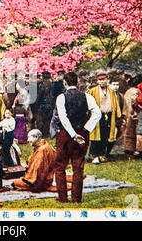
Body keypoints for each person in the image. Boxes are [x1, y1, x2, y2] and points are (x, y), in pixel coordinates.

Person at [55, 71, 101, 203]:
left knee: (60, 166)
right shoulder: (87, 97)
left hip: (66, 134)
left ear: (65, 83)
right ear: (77, 82)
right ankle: (76, 198)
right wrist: (86, 128)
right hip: (82, 132)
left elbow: (63, 118)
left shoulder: (61, 97)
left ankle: (62, 197)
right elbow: (97, 113)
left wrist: (73, 134)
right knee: (78, 166)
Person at [87, 70, 122, 164]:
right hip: (98, 115)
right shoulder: (92, 91)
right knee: (96, 136)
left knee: (106, 135)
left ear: (107, 80)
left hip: (109, 115)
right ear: (97, 81)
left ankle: (103, 154)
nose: (102, 81)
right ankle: (95, 155)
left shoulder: (111, 91)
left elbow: (115, 103)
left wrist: (119, 115)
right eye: (100, 80)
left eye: (104, 79)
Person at [122, 75, 142, 159]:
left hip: (126, 112)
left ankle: (128, 150)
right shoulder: (135, 91)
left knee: (127, 132)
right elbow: (134, 102)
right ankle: (132, 150)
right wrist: (133, 112)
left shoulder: (128, 91)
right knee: (132, 132)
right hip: (131, 114)